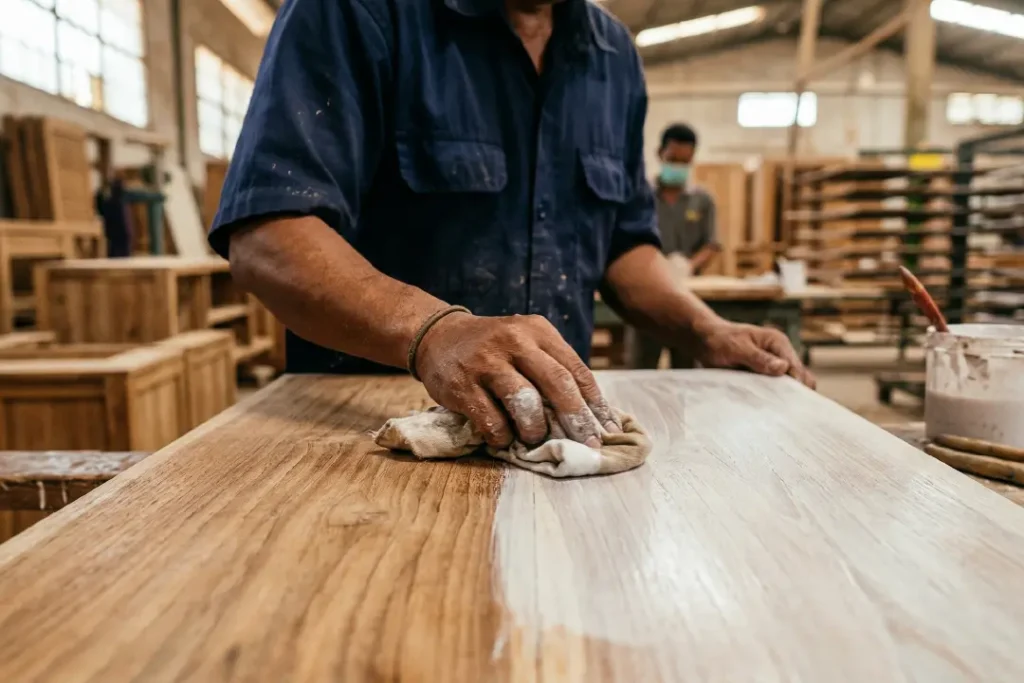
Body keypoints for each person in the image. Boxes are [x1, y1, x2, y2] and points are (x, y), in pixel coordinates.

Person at [211, 0, 815, 453]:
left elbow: (624, 243)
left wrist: (705, 331)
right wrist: (433, 334)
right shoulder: (355, 11)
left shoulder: (612, 54)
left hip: (553, 421)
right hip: (367, 432)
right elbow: (270, 232)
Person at [631, 123, 720, 369]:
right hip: (646, 298)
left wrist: (688, 266)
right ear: (660, 154)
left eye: (685, 161)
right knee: (642, 367)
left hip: (689, 296)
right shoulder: (641, 197)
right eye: (673, 159)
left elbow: (712, 244)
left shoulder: (703, 201)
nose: (678, 166)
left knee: (686, 370)